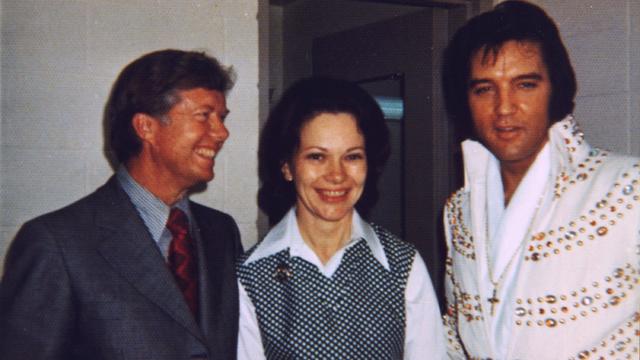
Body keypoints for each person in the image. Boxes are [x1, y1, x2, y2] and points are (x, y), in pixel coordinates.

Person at [0, 49, 243, 359]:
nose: (222, 133)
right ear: (146, 127)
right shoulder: (56, 243)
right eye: (204, 116)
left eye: (221, 118)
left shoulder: (221, 232)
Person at [441, 1, 640, 359]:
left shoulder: (627, 188)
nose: (504, 107)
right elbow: (458, 335)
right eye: (484, 89)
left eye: (525, 85)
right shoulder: (459, 210)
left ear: (555, 89)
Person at [237, 77, 445, 359]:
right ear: (287, 166)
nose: (336, 175)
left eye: (352, 157)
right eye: (316, 157)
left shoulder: (402, 266)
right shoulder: (250, 277)